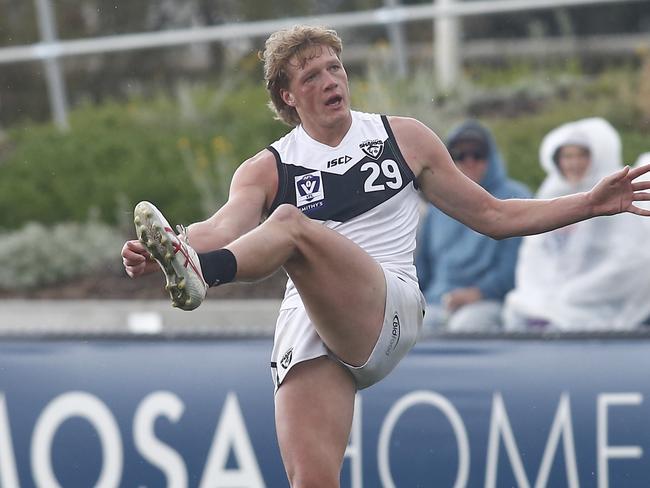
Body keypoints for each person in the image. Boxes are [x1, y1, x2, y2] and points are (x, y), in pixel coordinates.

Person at [121, 26, 650, 487]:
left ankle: (201, 277)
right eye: (312, 77)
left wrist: (591, 203)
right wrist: (174, 246)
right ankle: (193, 270)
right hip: (310, 321)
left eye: (336, 68)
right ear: (287, 95)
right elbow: (223, 225)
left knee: (288, 226)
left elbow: (496, 217)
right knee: (311, 480)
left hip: (388, 305)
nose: (331, 81)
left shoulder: (404, 138)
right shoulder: (266, 168)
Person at [503, 118, 650, 331]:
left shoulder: (617, 197)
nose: (574, 163)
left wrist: (575, 292)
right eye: (567, 156)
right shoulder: (549, 193)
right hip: (547, 306)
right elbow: (533, 257)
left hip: (600, 310)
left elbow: (629, 261)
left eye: (582, 155)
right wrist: (542, 294)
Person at [415, 120, 531, 332]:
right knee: (413, 327)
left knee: (466, 326)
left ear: (491, 157)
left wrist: (478, 293)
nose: (469, 161)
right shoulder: (439, 202)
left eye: (478, 154)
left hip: (491, 300)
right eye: (460, 155)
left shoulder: (516, 198)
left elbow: (515, 268)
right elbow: (421, 268)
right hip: (438, 299)